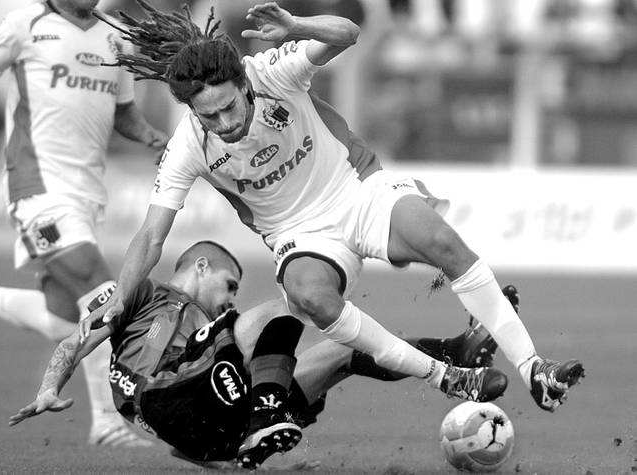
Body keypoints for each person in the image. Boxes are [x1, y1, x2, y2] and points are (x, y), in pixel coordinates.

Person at [84, 1, 584, 413]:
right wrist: (119, 301)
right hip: (298, 236)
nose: (224, 123)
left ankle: (534, 369)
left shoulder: (272, 72)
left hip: (356, 189)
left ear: (242, 83)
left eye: (230, 107)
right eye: (208, 115)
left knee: (440, 240)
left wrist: (298, 27)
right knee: (310, 298)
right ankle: (446, 377)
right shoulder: (188, 145)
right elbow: (151, 236)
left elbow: (348, 34)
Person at [10, 240, 515, 469]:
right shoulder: (143, 292)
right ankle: (266, 414)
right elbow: (77, 339)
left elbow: (180, 446)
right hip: (164, 389)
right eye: (229, 285)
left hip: (206, 425)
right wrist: (49, 387)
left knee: (340, 349)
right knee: (292, 300)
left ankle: (456, 352)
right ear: (200, 266)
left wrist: (229, 461)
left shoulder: (211, 337)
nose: (230, 297)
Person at [0, 0, 169, 447]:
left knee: (61, 321)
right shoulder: (27, 23)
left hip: (87, 197)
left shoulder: (113, 32)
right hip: (37, 191)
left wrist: (151, 137)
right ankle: (106, 422)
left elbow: (122, 111)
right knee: (106, 297)